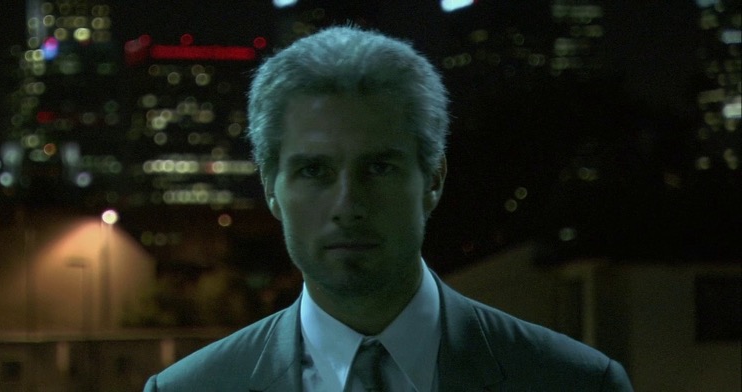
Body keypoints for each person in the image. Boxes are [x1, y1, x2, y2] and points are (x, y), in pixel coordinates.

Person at [144, 26, 633, 391]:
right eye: (314, 171)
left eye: (377, 168)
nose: (348, 204)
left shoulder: (575, 384)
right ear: (271, 188)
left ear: (433, 180)